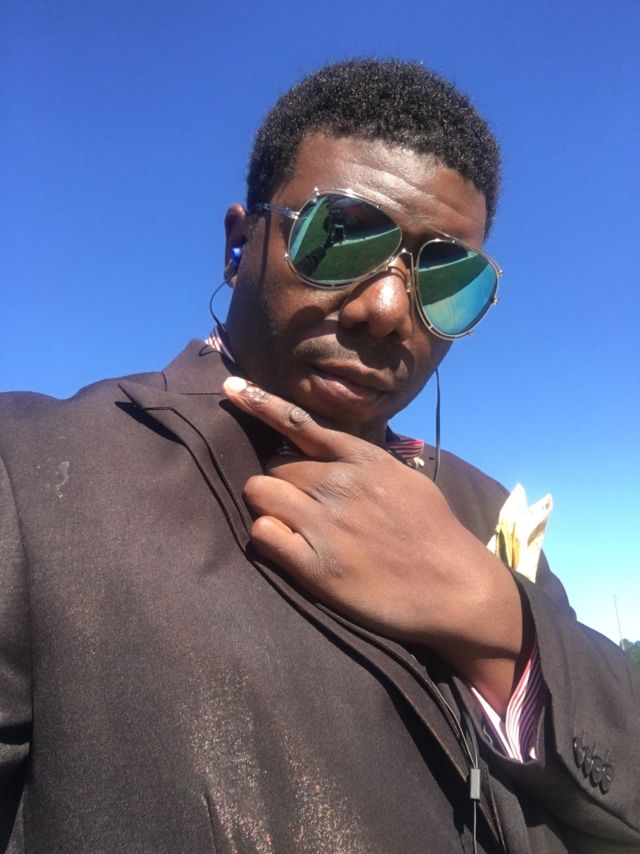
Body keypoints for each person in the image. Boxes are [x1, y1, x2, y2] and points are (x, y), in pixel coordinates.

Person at [0, 59, 637, 854]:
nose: (389, 309)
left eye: (447, 276)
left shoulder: (480, 510)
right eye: (339, 237)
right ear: (241, 243)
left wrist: (500, 623)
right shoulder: (33, 474)